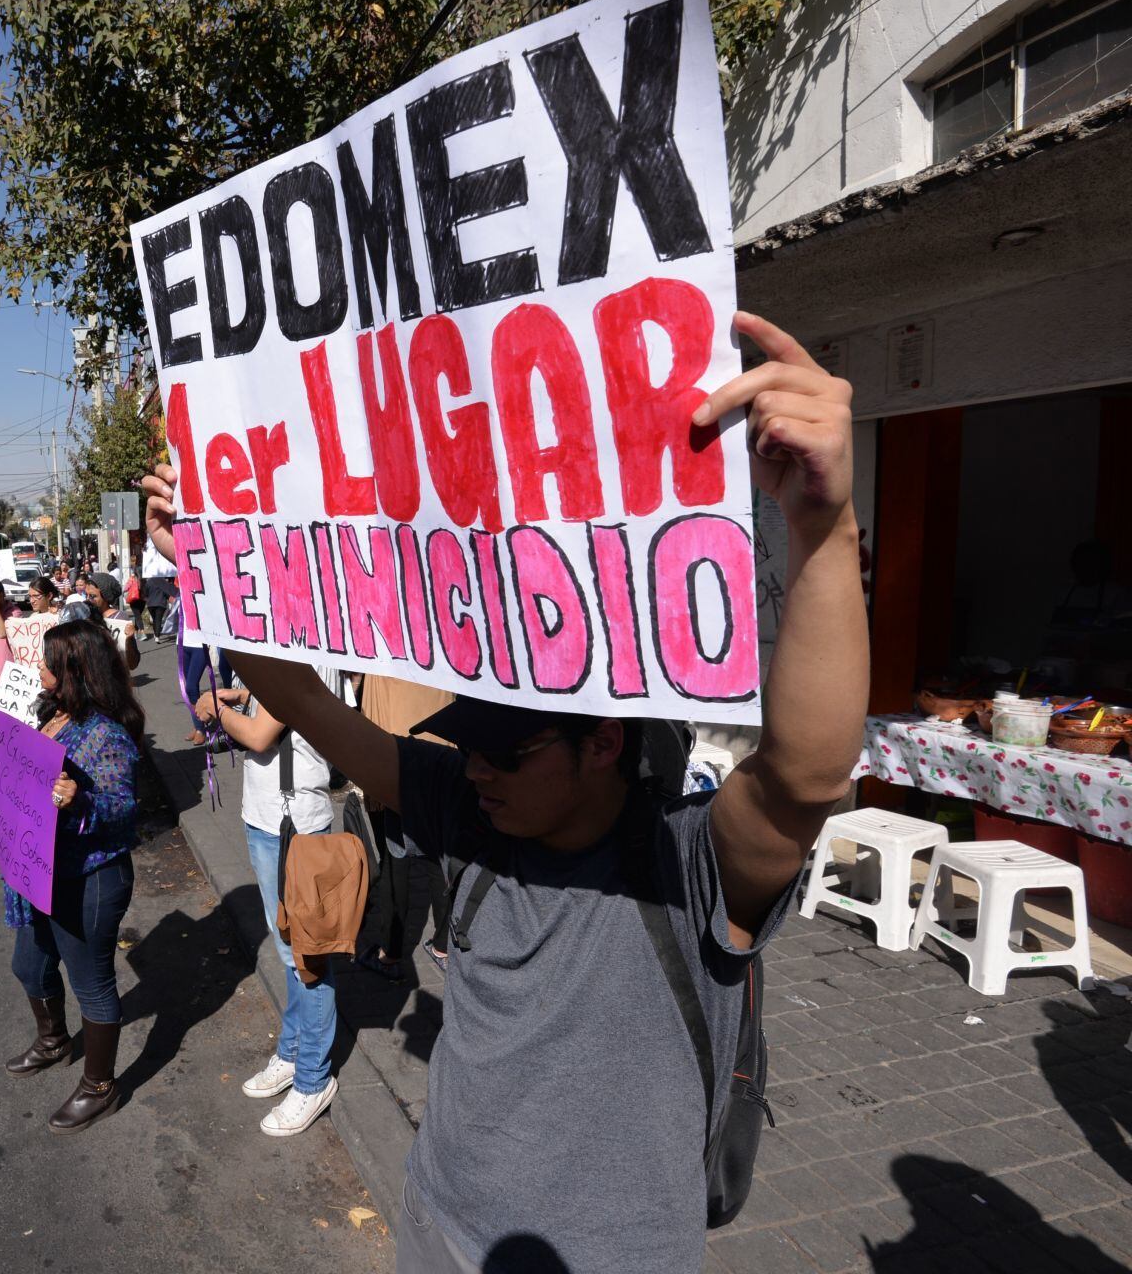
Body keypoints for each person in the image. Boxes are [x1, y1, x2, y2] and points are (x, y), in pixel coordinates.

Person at [142, 312, 869, 1271]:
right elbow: (307, 707)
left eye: (506, 754)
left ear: (603, 744)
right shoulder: (461, 809)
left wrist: (822, 527)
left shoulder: (690, 866)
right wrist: (213, 556)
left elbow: (804, 775)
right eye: (467, 747)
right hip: (439, 1229)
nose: (476, 767)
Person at [0, 619, 144, 1134]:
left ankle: (101, 1086)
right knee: (29, 965)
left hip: (90, 877)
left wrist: (80, 802)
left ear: (73, 670)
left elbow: (122, 808)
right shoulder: (53, 713)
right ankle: (55, 1040)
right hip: (42, 872)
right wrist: (4, 750)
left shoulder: (108, 734)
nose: (40, 669)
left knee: (92, 983)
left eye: (49, 663)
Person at [196, 670, 345, 1136]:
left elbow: (261, 735)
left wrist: (215, 708)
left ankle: (314, 1079)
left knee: (309, 959)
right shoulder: (270, 645)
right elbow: (275, 709)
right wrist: (243, 693)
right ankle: (294, 1049)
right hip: (266, 819)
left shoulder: (298, 651)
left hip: (295, 823)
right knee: (288, 950)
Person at [350, 674, 458, 984]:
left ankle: (391, 952)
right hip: (441, 753)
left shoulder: (383, 642)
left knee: (395, 859)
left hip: (396, 758)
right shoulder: (441, 634)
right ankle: (443, 946)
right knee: (441, 856)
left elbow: (365, 704)